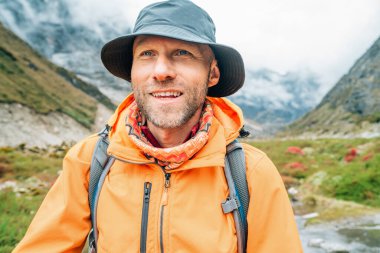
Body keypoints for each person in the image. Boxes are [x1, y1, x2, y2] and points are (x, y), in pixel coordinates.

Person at [13, 0, 303, 252]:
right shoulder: (90, 161)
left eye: (182, 53)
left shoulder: (251, 173)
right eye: (147, 54)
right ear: (132, 73)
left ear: (212, 74)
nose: (161, 71)